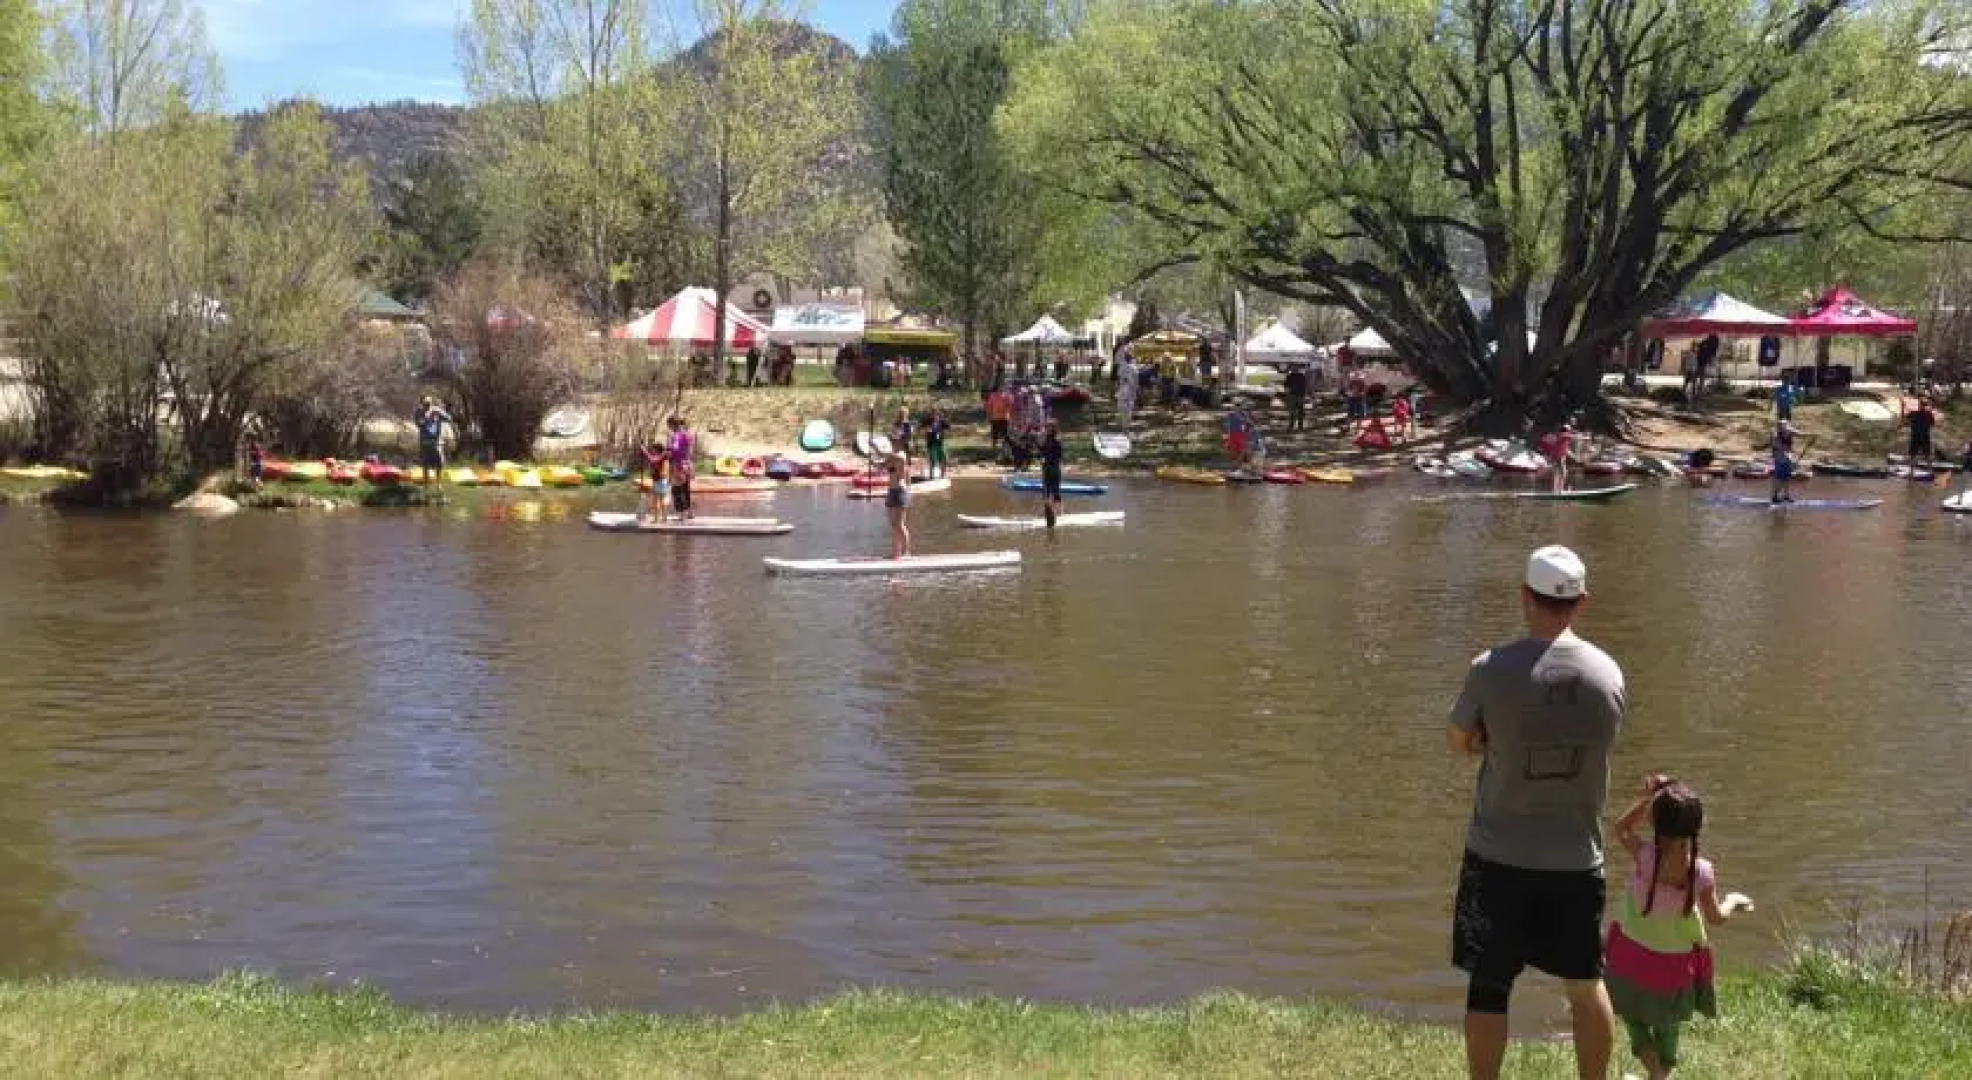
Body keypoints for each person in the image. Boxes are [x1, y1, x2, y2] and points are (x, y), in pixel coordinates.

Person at [1448, 546, 1625, 1080]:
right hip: (1576, 858)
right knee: (1585, 982)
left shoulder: (1490, 669)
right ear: (1582, 602)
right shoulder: (1607, 673)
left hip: (1498, 854)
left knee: (1489, 984)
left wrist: (1490, 743)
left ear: (1525, 596)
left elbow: (1459, 741)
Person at [1603, 776, 1754, 1080]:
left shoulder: (1645, 857)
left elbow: (1620, 829)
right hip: (1673, 966)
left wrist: (1647, 799)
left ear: (1656, 824)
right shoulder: (1701, 872)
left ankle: (1655, 1073)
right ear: (1696, 828)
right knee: (1668, 1026)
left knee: (1635, 1019)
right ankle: (1661, 1074)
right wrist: (1733, 901)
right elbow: (1715, 919)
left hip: (1632, 955)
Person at [413, 396, 451, 487]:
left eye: (429, 403)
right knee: (425, 463)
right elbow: (419, 424)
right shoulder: (418, 412)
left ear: (431, 403)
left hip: (437, 442)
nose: (427, 406)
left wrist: (441, 413)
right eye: (425, 404)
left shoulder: (437, 411)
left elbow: (449, 419)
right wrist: (428, 419)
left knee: (439, 462)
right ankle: (426, 482)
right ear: (422, 404)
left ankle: (438, 482)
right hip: (425, 441)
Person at [666, 415, 696, 520]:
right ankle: (689, 512)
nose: (669, 428)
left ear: (672, 425)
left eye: (669, 426)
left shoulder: (676, 435)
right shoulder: (689, 434)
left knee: (676, 489)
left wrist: (668, 449)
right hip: (688, 464)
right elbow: (691, 451)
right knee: (686, 489)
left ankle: (681, 514)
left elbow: (675, 449)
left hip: (678, 465)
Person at [884, 450, 912, 559]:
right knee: (893, 525)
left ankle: (906, 552)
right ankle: (896, 552)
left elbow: (901, 458)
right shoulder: (890, 460)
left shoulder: (901, 457)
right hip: (891, 492)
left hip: (900, 492)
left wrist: (886, 454)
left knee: (899, 524)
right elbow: (880, 465)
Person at [1039, 420, 1065, 528]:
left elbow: (1058, 455)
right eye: (1046, 427)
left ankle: (1059, 515)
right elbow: (1043, 451)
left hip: (1053, 469)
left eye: (1049, 427)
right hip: (1046, 469)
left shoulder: (1057, 441)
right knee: (1045, 493)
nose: (1046, 429)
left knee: (1055, 492)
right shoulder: (1046, 439)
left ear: (1053, 428)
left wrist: (1046, 457)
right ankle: (1048, 516)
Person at [638, 441, 670, 524]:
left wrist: (644, 451)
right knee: (657, 500)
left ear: (657, 449)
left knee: (657, 500)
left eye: (653, 449)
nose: (652, 451)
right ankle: (661, 518)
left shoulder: (661, 456)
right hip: (659, 481)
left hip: (660, 481)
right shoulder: (661, 456)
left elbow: (653, 461)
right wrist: (643, 451)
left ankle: (659, 519)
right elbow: (651, 459)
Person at [1539, 422, 1576, 493]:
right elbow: (1572, 437)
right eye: (1569, 430)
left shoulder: (1560, 436)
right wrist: (1585, 437)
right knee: (1563, 472)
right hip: (1559, 457)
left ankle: (1555, 490)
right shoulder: (1564, 435)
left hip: (1555, 457)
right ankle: (1560, 490)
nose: (1569, 432)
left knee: (1557, 473)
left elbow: (1565, 448)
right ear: (1567, 430)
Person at [1905, 395, 1937, 466]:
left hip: (1922, 436)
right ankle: (1912, 473)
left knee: (1926, 455)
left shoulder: (1927, 414)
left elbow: (1932, 424)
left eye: (1923, 405)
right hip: (1918, 436)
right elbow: (1905, 420)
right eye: (1921, 405)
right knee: (1914, 455)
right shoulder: (1916, 413)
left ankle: (1929, 472)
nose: (1922, 407)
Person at [1770, 420, 1797, 504]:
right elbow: (1777, 447)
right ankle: (1775, 497)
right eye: (1783, 427)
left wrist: (1811, 436)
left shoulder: (1789, 433)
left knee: (1787, 479)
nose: (1786, 429)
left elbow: (1800, 434)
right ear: (1780, 428)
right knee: (1779, 480)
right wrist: (1787, 455)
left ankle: (1786, 496)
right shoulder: (1775, 436)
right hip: (1780, 460)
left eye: (1786, 426)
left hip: (1787, 459)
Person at [986, 385, 1014, 461]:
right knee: (995, 436)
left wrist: (1011, 417)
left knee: (1005, 436)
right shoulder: (992, 396)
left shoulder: (1007, 396)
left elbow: (1011, 407)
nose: (1001, 389)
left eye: (1002, 388)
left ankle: (1005, 453)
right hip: (995, 419)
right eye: (1000, 388)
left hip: (1004, 419)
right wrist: (989, 416)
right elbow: (989, 407)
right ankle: (995, 453)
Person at [1225, 403, 1254, 469]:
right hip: (1233, 434)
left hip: (1241, 434)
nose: (1237, 409)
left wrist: (1247, 423)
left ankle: (1239, 465)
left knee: (1242, 450)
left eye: (1239, 407)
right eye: (1236, 407)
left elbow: (1250, 424)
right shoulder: (1231, 414)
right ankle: (1236, 465)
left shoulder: (1244, 415)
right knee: (1233, 450)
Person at [1283, 365, 1310, 432]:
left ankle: (1297, 426)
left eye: (1295, 368)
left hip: (1297, 395)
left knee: (1298, 412)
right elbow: (1286, 387)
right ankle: (1294, 426)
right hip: (1295, 395)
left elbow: (1305, 385)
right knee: (1295, 412)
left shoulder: (1299, 376)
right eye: (1293, 368)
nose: (1294, 369)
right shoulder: (1291, 376)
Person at [1116, 350, 1140, 426]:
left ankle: (1125, 421)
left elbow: (1120, 376)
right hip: (1129, 388)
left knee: (1124, 405)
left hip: (1126, 388)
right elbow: (1136, 379)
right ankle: (1126, 422)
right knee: (1128, 405)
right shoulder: (1133, 367)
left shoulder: (1124, 366)